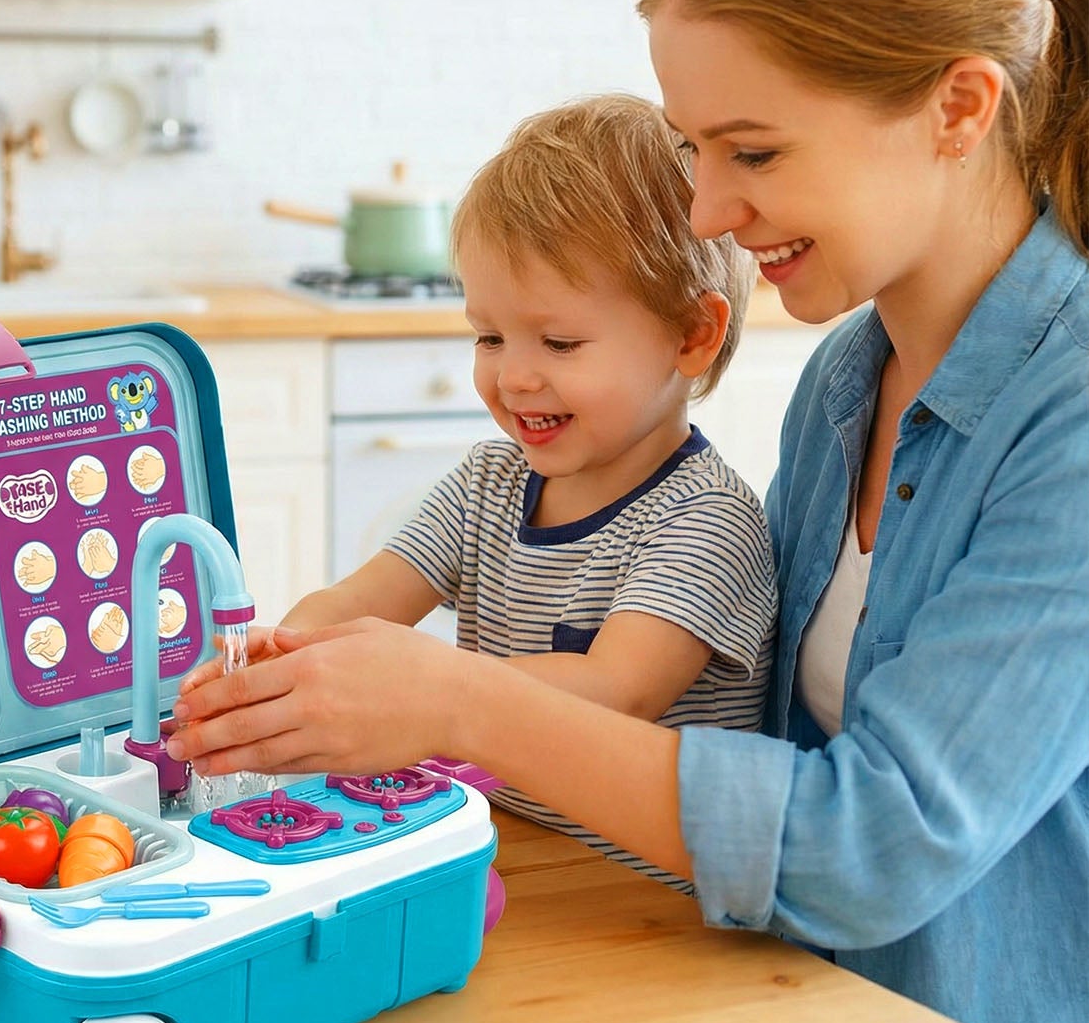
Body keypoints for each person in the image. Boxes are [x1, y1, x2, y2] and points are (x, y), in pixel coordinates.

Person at [168, 0, 1089, 1023]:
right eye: (693, 149)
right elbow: (767, 759)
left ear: (959, 108)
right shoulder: (845, 381)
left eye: (753, 151)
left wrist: (452, 700)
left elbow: (873, 846)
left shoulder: (1068, 415)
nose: (707, 209)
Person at [188, 95, 777, 889]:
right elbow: (359, 600)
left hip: (641, 898)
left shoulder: (707, 521)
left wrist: (426, 690)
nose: (514, 376)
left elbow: (616, 692)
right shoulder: (488, 483)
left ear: (692, 335)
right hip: (512, 853)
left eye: (559, 342)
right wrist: (279, 663)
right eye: (489, 336)